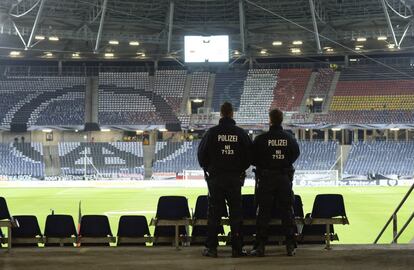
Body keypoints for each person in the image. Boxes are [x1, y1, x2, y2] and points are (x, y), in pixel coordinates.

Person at [197, 102, 252, 258]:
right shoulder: (240, 133)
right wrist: (239, 169)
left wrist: (209, 169)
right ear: (232, 114)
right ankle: (237, 249)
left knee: (214, 214)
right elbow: (249, 156)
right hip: (234, 179)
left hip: (215, 179)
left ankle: (212, 248)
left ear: (221, 114)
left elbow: (201, 155)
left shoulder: (211, 133)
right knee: (236, 214)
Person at [250, 108, 300, 257]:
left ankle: (260, 246)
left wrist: (265, 165)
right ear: (281, 120)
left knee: (263, 213)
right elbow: (295, 154)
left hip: (266, 179)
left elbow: (252, 158)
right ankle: (290, 245)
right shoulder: (289, 138)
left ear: (270, 120)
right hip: (284, 178)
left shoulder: (261, 139)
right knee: (287, 212)